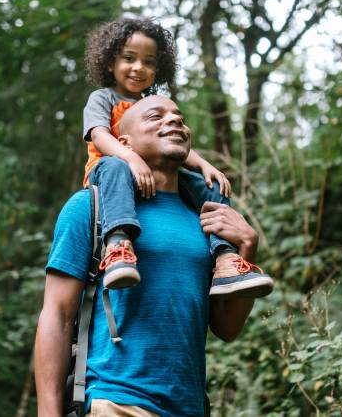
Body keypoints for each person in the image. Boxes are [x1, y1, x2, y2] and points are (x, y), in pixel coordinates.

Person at [35, 95, 265, 416]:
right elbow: (56, 316)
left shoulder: (208, 219)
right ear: (125, 142)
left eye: (179, 118)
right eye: (155, 116)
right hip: (117, 401)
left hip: (191, 407)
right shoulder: (89, 207)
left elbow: (227, 328)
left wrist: (246, 248)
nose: (174, 121)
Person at [82, 17, 273, 297]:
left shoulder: (153, 103)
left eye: (149, 62)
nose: (139, 68)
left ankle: (225, 259)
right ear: (110, 62)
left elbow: (174, 145)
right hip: (111, 176)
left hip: (155, 176)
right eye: (129, 58)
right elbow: (99, 136)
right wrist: (131, 158)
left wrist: (205, 165)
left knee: (211, 186)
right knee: (114, 165)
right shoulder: (103, 98)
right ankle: (118, 245)